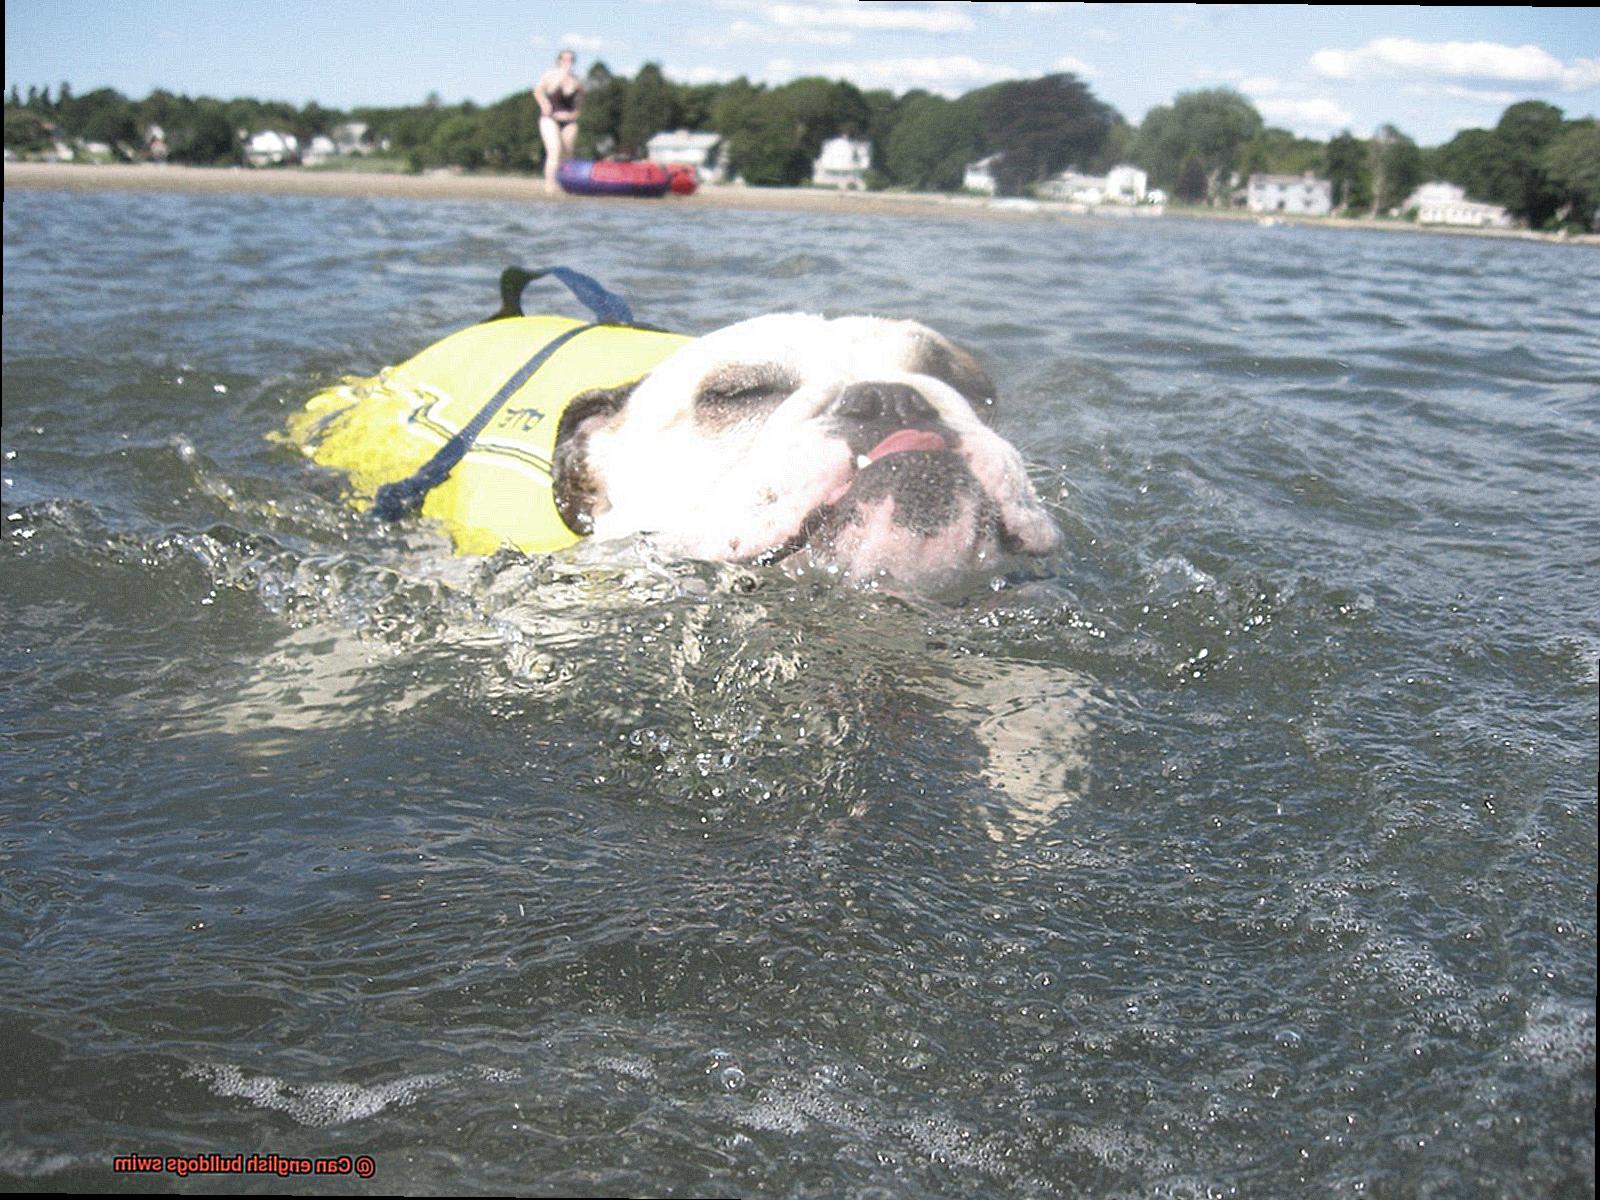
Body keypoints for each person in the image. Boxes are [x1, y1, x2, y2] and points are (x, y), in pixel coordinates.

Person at [535, 49, 584, 193]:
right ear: (559, 61)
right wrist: (545, 105)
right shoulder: (550, 76)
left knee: (568, 153)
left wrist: (577, 111)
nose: (567, 62)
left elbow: (582, 95)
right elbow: (538, 91)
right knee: (554, 151)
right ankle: (549, 186)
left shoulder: (577, 79)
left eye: (570, 60)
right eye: (564, 59)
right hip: (550, 119)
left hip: (569, 120)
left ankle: (566, 185)